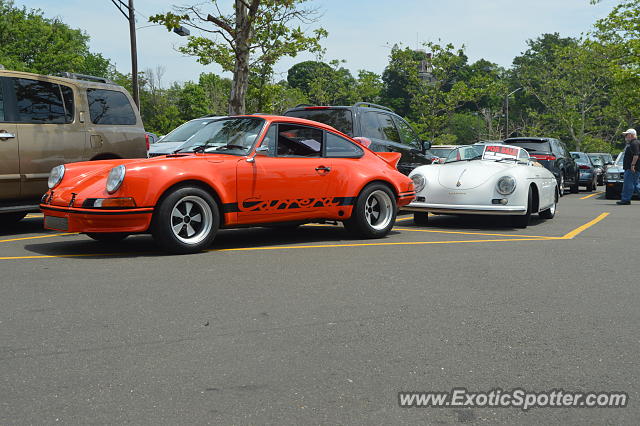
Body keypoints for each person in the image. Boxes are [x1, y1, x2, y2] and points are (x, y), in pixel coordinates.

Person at [617, 128, 640, 205]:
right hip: (632, 168)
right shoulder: (634, 143)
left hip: (632, 168)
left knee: (629, 184)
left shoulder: (634, 143)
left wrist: (632, 165)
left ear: (631, 135)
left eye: (627, 135)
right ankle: (626, 199)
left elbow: (636, 155)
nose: (626, 137)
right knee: (636, 185)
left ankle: (625, 199)